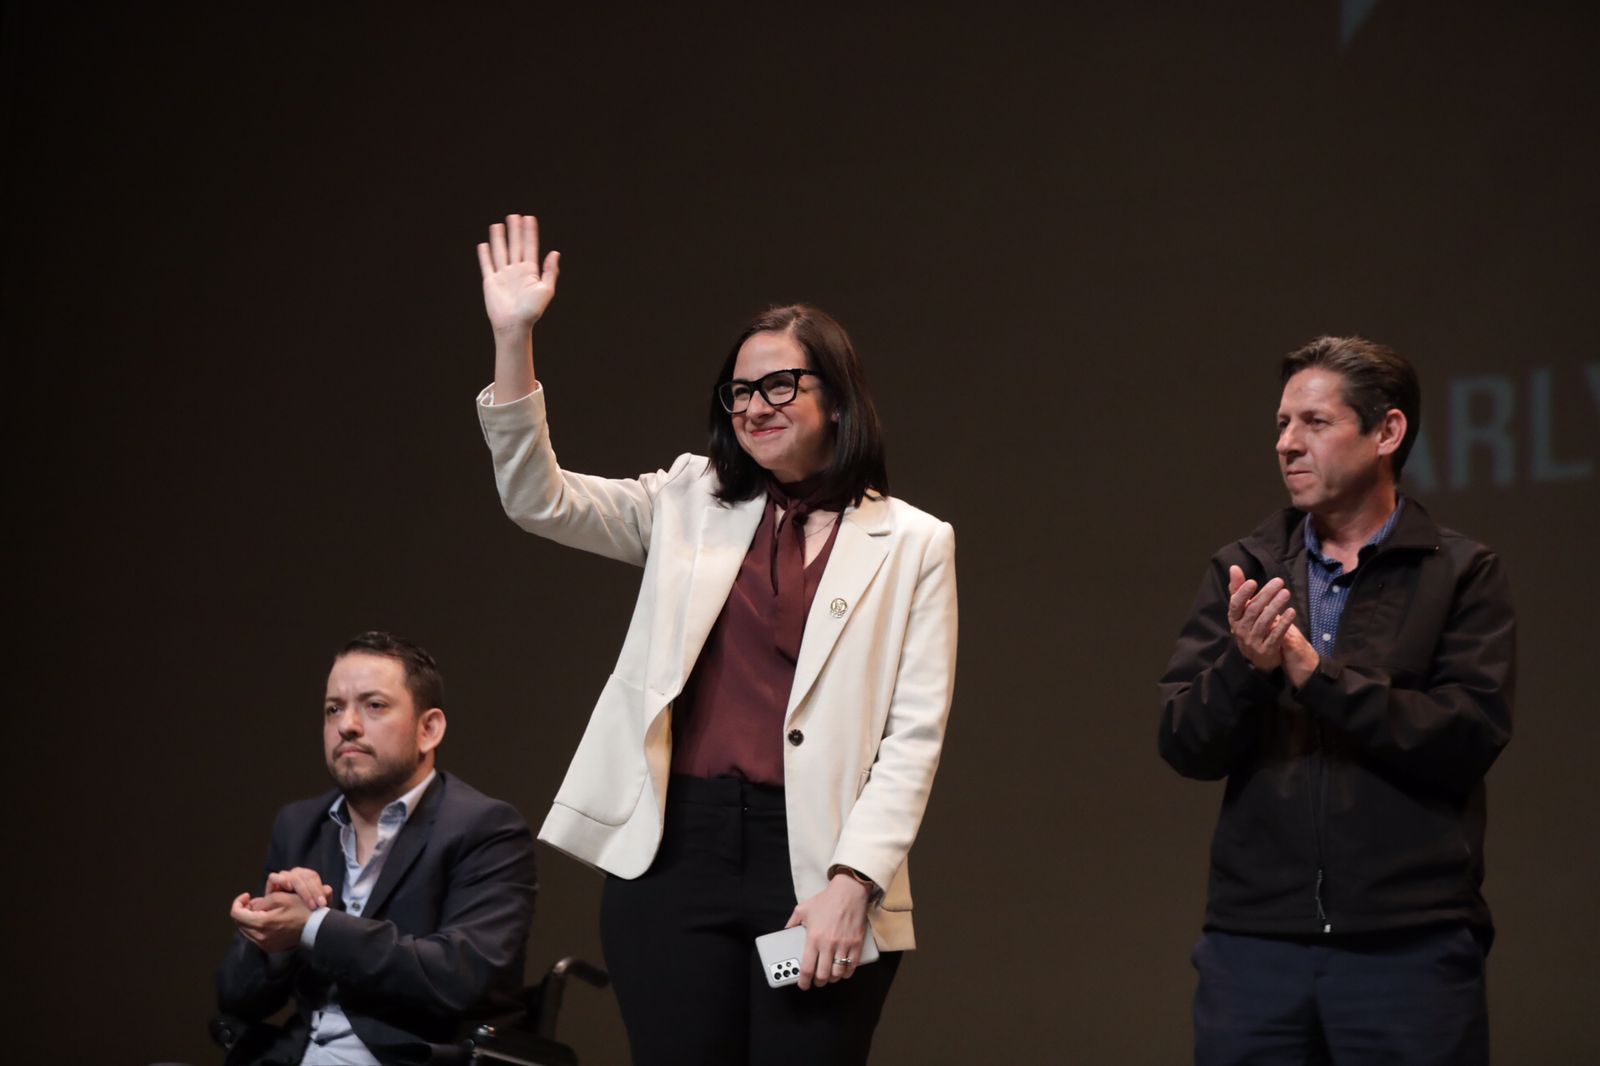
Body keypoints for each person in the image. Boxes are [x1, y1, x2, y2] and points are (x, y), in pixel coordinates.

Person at [473, 214, 958, 1066]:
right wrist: (514, 339)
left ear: (837, 396)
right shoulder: (687, 500)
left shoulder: (915, 543)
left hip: (815, 860)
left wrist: (854, 881)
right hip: (675, 857)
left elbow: (912, 738)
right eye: (738, 392)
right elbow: (538, 499)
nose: (754, 407)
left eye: (780, 386)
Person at [1158, 337, 1516, 1065]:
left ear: (1387, 432)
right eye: (1282, 424)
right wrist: (1249, 668)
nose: (1287, 444)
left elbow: (1467, 735)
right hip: (1254, 948)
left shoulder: (1459, 572)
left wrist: (1315, 676)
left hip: (1408, 945)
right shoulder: (1246, 569)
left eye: (1314, 422)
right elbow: (1185, 741)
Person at [215, 632, 538, 1066]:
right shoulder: (300, 824)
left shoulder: (485, 828)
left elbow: (459, 976)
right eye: (334, 709)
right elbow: (236, 998)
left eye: (374, 705)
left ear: (428, 729)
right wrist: (273, 938)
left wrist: (314, 926)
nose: (347, 724)